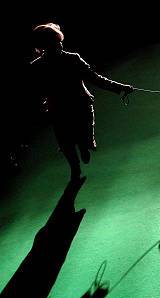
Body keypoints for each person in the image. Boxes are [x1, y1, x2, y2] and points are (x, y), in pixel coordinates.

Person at [30, 23, 134, 180]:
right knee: (65, 142)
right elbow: (96, 79)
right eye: (57, 41)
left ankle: (85, 145)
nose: (60, 44)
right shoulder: (41, 66)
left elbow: (96, 79)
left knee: (75, 137)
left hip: (72, 106)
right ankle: (75, 167)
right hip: (65, 107)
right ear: (46, 45)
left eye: (60, 41)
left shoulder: (68, 60)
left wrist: (120, 87)